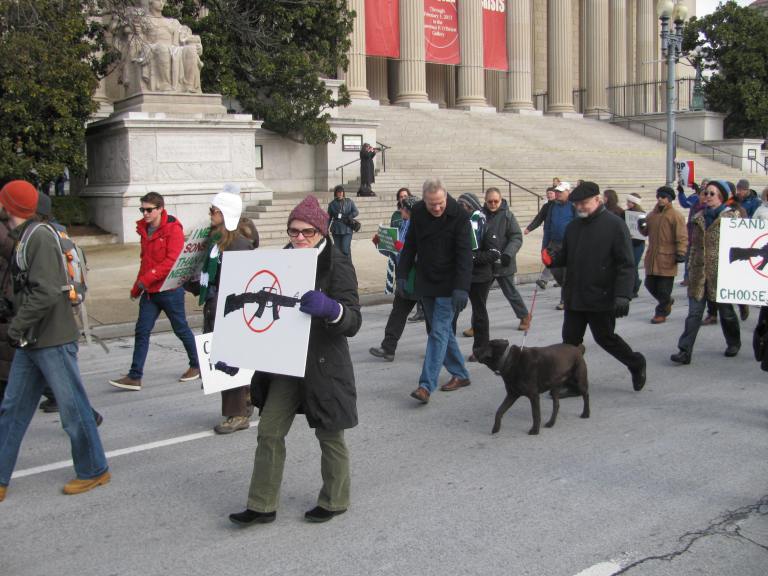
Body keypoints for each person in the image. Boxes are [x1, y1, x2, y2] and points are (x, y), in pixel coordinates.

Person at [229, 195, 361, 525]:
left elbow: (354, 320)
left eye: (307, 232)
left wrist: (333, 310)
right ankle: (262, 504)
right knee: (269, 431)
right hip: (285, 363)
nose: (299, 238)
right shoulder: (281, 261)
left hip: (323, 362)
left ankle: (335, 499)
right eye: (293, 232)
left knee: (330, 434)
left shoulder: (338, 263)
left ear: (322, 231)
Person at [0, 180, 109, 502]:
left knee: (73, 410)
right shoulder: (25, 237)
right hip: (34, 340)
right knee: (12, 409)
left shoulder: (40, 239)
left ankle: (94, 469)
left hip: (52, 339)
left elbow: (46, 291)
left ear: (11, 207)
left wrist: (16, 326)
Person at [543, 181, 646, 395]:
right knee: (570, 343)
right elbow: (566, 255)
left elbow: (626, 264)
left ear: (598, 200)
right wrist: (552, 259)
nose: (580, 208)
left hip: (601, 295)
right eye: (577, 204)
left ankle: (636, 363)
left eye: (584, 203)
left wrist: (622, 295)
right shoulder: (573, 227)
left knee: (606, 339)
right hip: (575, 295)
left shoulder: (614, 225)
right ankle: (573, 384)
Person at [185, 186, 259, 434]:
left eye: (213, 211)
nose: (210, 215)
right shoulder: (217, 242)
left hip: (231, 312)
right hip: (217, 308)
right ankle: (245, 400)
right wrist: (191, 283)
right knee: (228, 363)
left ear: (225, 213)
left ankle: (237, 415)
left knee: (228, 364)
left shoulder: (237, 244)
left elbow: (244, 282)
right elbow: (212, 277)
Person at [109, 192, 200, 391]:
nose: (145, 213)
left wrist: (145, 280)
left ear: (160, 209)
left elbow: (171, 261)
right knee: (142, 331)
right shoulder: (144, 229)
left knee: (180, 328)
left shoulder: (173, 229)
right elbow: (145, 262)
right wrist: (137, 287)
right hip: (150, 292)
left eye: (149, 210)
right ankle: (135, 376)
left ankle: (196, 364)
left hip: (170, 290)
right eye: (142, 209)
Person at [398, 178, 473, 402]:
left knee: (438, 332)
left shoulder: (459, 215)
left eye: (440, 203)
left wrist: (462, 288)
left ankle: (425, 385)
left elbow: (464, 256)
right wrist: (402, 273)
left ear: (445, 196)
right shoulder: (419, 212)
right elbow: (410, 244)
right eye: (432, 204)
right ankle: (460, 374)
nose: (437, 208)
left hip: (450, 284)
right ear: (424, 200)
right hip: (427, 280)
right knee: (442, 332)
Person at [670, 180, 743, 365]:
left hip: (721, 274)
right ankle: (684, 350)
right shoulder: (698, 217)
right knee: (694, 314)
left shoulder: (733, 219)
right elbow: (694, 246)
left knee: (726, 313)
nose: (707, 196)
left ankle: (733, 342)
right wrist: (689, 267)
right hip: (699, 274)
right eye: (706, 193)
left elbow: (741, 247)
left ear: (721, 197)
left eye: (712, 193)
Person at [369, 196, 421, 361]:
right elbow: (394, 252)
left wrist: (403, 249)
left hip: (419, 278)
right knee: (398, 313)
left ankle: (443, 351)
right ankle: (388, 348)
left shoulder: (422, 227)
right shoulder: (403, 225)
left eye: (404, 208)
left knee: (434, 321)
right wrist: (380, 243)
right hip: (404, 277)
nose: (400, 211)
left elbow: (421, 253)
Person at [483, 187, 531, 331]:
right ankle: (477, 324)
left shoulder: (508, 216)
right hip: (486, 263)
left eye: (495, 201)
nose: (493, 204)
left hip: (504, 263)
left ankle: (524, 316)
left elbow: (516, 237)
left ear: (500, 199)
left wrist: (508, 254)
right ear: (485, 201)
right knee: (480, 297)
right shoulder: (479, 215)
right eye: (490, 201)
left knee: (511, 293)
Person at [640, 186, 687, 324]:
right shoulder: (651, 215)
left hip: (668, 257)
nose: (660, 199)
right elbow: (645, 232)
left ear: (670, 199)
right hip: (653, 257)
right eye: (659, 196)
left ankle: (661, 312)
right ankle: (667, 301)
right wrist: (641, 226)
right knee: (649, 284)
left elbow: (682, 236)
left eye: (663, 197)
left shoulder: (676, 215)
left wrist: (681, 252)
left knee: (663, 288)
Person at [543, 181, 575, 310]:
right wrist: (544, 246)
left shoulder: (573, 206)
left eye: (561, 192)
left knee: (567, 273)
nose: (558, 194)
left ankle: (565, 299)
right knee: (556, 271)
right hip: (554, 244)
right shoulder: (552, 206)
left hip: (568, 244)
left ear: (568, 192)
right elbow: (548, 226)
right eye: (557, 191)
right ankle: (569, 292)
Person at [524, 187, 556, 290]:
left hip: (559, 237)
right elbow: (539, 218)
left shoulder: (562, 207)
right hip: (548, 235)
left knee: (552, 257)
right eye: (548, 193)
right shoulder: (546, 206)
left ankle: (544, 279)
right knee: (548, 256)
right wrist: (529, 228)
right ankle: (558, 279)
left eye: (551, 193)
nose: (549, 195)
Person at [327, 185, 358, 256]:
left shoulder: (349, 201)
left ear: (343, 193)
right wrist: (326, 229)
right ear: (335, 193)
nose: (340, 193)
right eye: (338, 192)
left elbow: (356, 212)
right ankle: (339, 266)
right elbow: (328, 218)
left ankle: (347, 265)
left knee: (345, 248)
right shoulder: (332, 204)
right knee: (337, 250)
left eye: (341, 192)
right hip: (336, 229)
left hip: (347, 228)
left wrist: (350, 216)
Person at [625, 193, 646, 297]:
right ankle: (634, 284)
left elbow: (644, 229)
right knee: (630, 265)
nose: (627, 204)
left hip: (638, 244)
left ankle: (635, 286)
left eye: (629, 202)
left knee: (634, 265)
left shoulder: (641, 214)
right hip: (628, 243)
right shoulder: (626, 213)